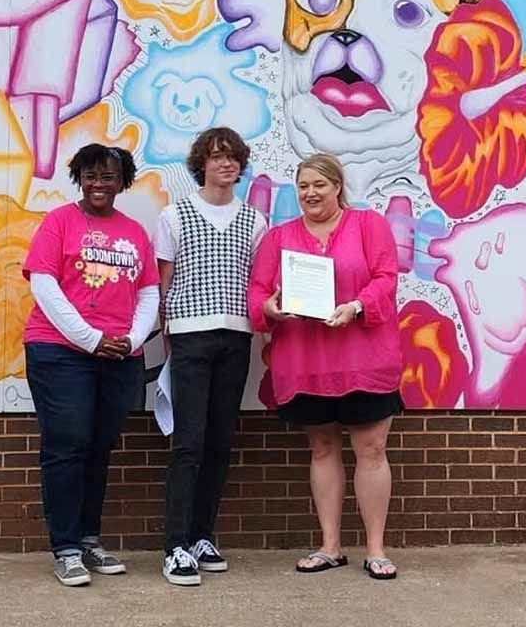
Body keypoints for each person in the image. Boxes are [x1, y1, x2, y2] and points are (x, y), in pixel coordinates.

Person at [247, 153, 403, 580]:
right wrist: (271, 309)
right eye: (303, 186)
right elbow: (259, 291)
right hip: (306, 361)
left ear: (337, 186)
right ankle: (330, 546)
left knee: (371, 450)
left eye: (319, 184)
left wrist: (356, 306)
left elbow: (386, 278)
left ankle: (375, 549)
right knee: (322, 449)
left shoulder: (369, 225)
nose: (310, 193)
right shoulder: (279, 237)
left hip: (365, 360)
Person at [22, 144, 160, 587]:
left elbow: (148, 293)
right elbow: (44, 285)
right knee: (69, 444)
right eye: (90, 175)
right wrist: (90, 338)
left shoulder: (135, 232)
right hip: (60, 352)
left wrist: (133, 339)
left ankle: (87, 539)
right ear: (78, 178)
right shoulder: (59, 222)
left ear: (123, 182)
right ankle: (65, 547)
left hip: (119, 355)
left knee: (100, 447)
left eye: (109, 176)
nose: (99, 183)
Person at [156, 127, 267, 586]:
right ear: (201, 162)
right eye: (217, 156)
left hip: (236, 337)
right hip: (189, 335)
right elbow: (163, 282)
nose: (226, 164)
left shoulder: (255, 221)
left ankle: (202, 534)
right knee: (189, 443)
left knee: (221, 441)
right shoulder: (174, 215)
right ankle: (175, 545)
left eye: (233, 158)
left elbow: (260, 282)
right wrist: (166, 333)